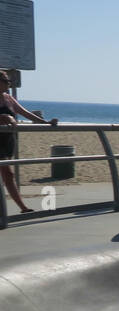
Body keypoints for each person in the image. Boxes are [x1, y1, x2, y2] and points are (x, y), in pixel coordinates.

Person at [0, 70, 58, 214]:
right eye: (6, 81)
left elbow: (25, 113)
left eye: (9, 81)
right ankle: (23, 207)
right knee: (7, 173)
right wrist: (4, 117)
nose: (9, 84)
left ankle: (22, 208)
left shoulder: (8, 98)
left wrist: (46, 122)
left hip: (7, 141)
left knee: (8, 175)